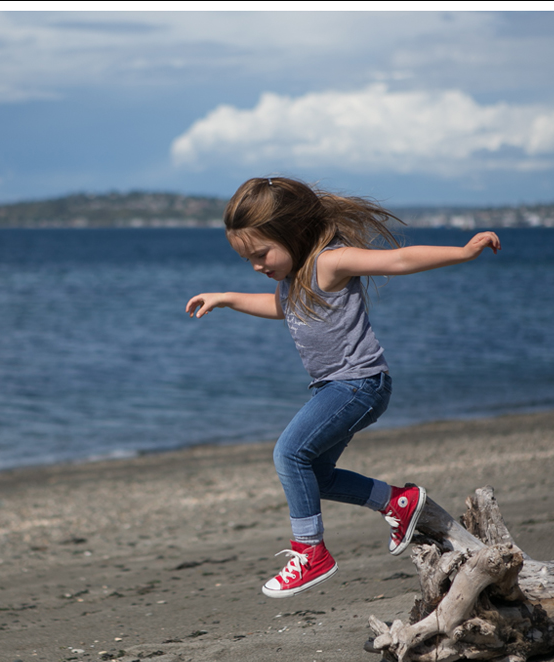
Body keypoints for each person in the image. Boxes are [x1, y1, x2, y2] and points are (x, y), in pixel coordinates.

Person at [185, 177, 500, 599]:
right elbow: (280, 307)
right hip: (334, 389)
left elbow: (399, 260)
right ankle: (398, 502)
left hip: (358, 384)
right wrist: (226, 297)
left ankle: (310, 551)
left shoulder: (330, 262)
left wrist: (463, 252)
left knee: (289, 453)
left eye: (261, 254)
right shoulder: (294, 278)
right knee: (314, 476)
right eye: (248, 260)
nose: (257, 266)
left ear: (294, 232)